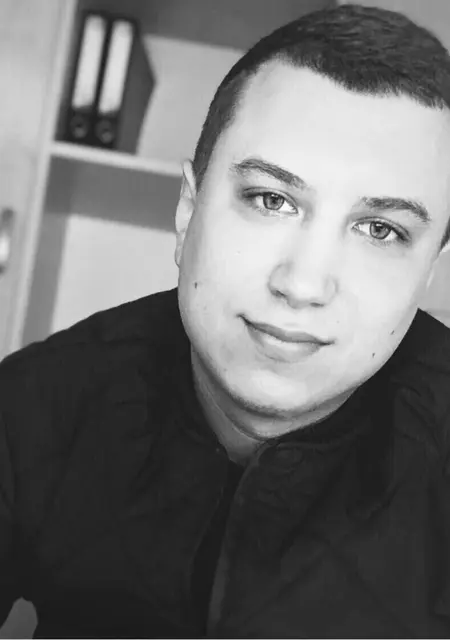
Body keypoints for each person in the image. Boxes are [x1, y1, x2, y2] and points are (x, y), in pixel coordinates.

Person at [2, 3, 450, 638]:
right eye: (271, 199)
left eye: (380, 230)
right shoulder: (35, 405)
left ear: (429, 270)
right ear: (188, 212)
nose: (302, 285)